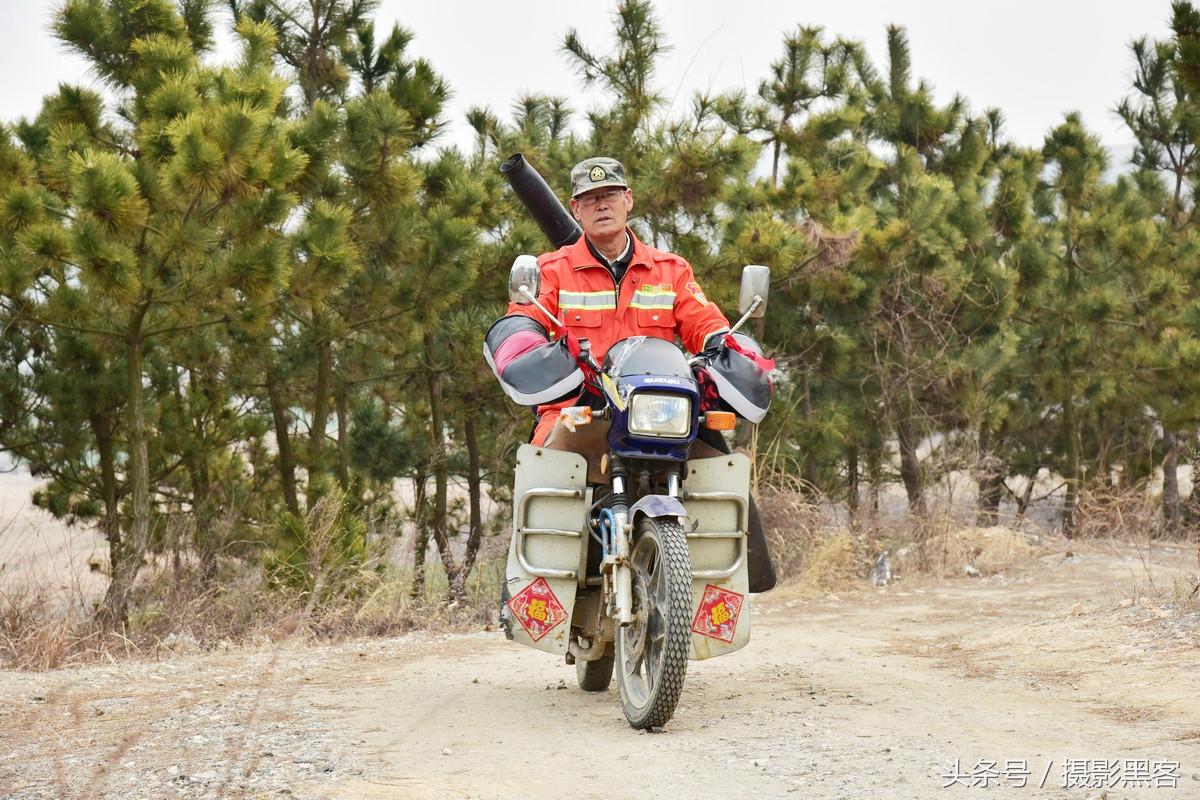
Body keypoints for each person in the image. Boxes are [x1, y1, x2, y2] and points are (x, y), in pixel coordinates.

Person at [484, 156, 733, 445]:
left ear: (628, 199)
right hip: (574, 410)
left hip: (657, 410)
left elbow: (706, 324)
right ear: (576, 209)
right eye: (589, 199)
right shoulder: (551, 271)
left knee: (722, 477)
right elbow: (523, 318)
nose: (601, 205)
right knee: (542, 473)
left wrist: (729, 351)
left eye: (610, 195)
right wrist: (525, 350)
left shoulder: (671, 270)